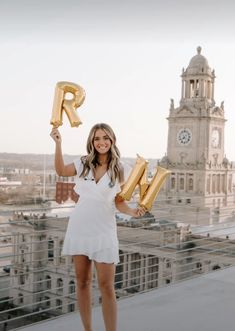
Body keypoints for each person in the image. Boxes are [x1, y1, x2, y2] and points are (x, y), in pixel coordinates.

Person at [50, 123, 145, 331]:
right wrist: (58, 143)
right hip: (79, 227)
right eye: (96, 138)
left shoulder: (122, 168)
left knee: (107, 287)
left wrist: (132, 212)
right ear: (91, 142)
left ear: (112, 140)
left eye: (105, 138)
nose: (101, 142)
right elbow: (60, 170)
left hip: (104, 230)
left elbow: (119, 201)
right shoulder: (83, 163)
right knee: (82, 283)